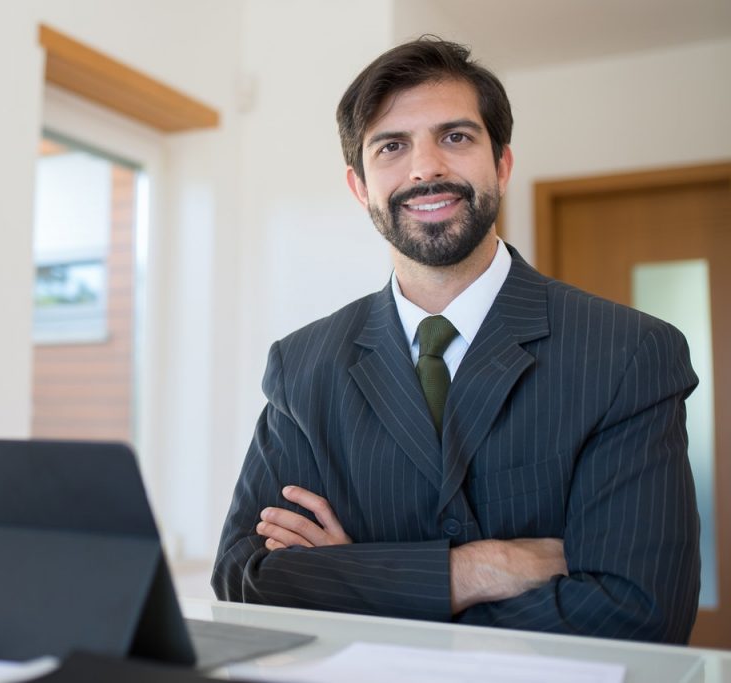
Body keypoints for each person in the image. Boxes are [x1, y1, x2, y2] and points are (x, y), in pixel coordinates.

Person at [211, 37, 701, 644]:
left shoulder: (629, 353)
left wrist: (356, 577)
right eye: (392, 146)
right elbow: (243, 579)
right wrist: (475, 569)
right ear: (360, 185)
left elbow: (639, 612)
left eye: (456, 137)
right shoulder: (301, 366)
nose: (425, 169)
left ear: (502, 164)